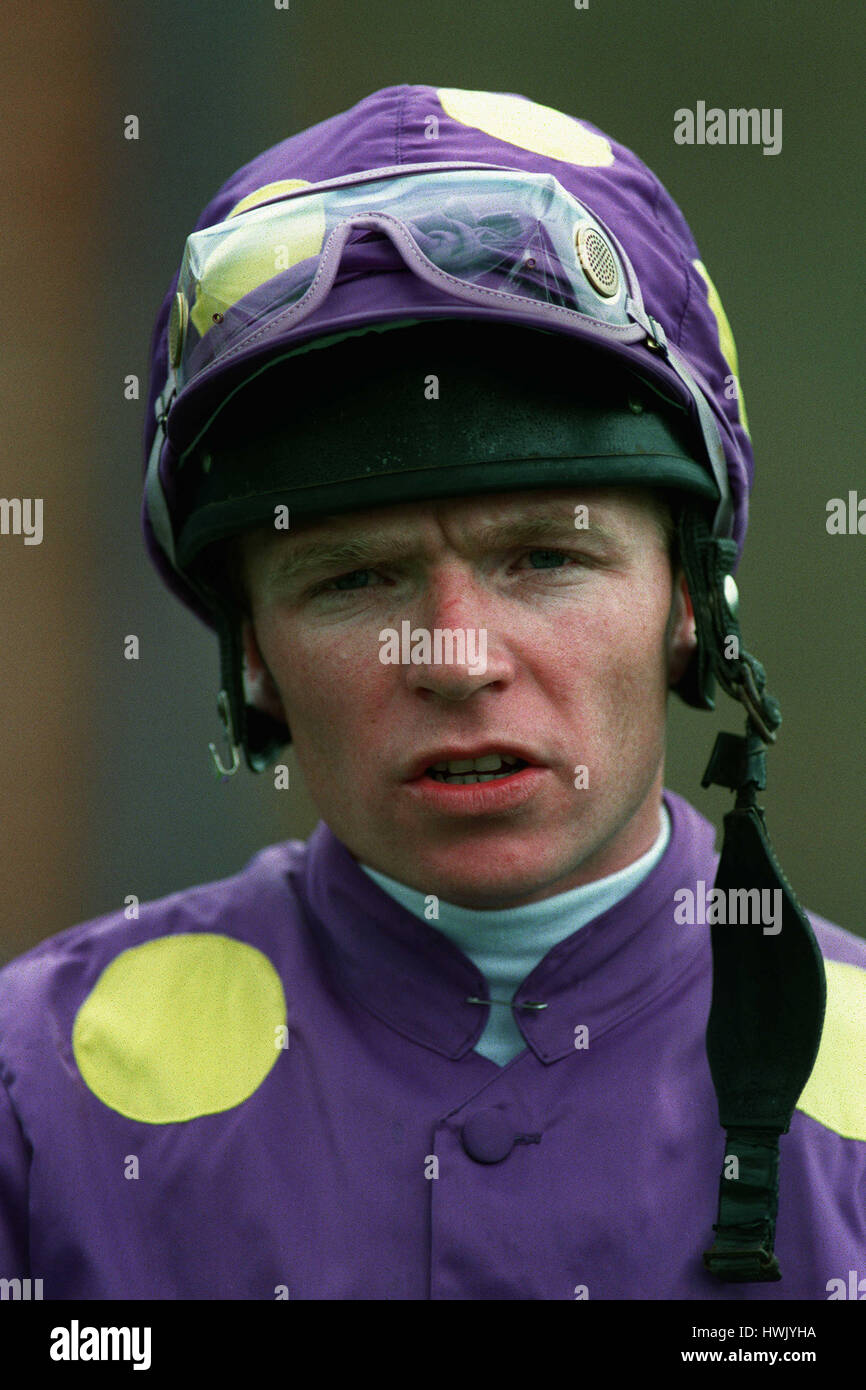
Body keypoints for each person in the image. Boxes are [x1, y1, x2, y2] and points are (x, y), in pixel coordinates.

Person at [0, 84, 863, 1302]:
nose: (457, 657)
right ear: (251, 648)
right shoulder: (29, 1103)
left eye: (545, 559)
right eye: (353, 578)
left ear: (690, 601)